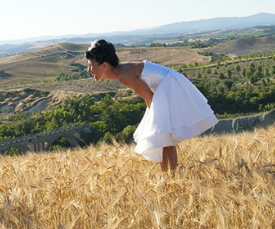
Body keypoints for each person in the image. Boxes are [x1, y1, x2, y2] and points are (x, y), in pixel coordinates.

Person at [85, 39, 218, 172]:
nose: (89, 70)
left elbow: (149, 98)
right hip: (166, 86)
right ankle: (172, 176)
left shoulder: (124, 75)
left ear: (104, 65)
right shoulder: (121, 71)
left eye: (91, 65)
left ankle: (170, 176)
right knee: (164, 137)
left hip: (169, 86)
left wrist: (156, 123)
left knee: (162, 136)